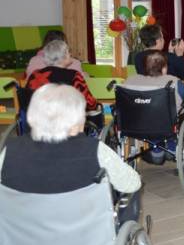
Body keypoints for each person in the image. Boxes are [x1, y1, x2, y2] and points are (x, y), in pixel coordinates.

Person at [0, 84, 140, 197]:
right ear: (76, 120)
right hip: (84, 222)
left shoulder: (10, 150)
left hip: (22, 223)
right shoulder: (95, 150)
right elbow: (132, 184)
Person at [26, 40, 99, 112]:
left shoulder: (35, 74)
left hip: (38, 117)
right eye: (68, 51)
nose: (70, 54)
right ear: (63, 56)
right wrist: (99, 106)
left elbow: (27, 101)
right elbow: (90, 104)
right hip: (64, 118)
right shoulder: (74, 75)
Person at [123, 51, 184, 115]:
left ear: (146, 67)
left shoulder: (129, 80)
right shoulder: (174, 82)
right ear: (164, 69)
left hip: (134, 121)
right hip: (166, 121)